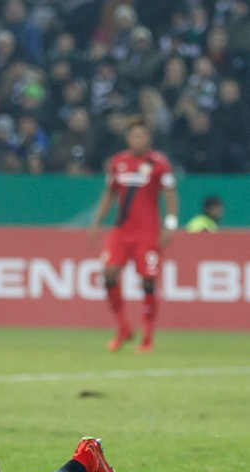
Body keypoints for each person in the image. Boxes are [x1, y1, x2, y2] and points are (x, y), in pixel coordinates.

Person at [88, 116, 179, 354]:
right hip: (121, 230)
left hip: (147, 232)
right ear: (128, 138)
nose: (138, 139)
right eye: (134, 135)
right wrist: (96, 222)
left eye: (142, 135)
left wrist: (170, 225)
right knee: (108, 273)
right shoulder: (118, 162)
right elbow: (109, 194)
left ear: (149, 138)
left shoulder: (159, 163)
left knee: (147, 280)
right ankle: (123, 328)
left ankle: (147, 337)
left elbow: (170, 195)